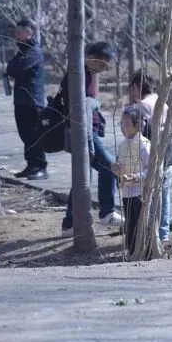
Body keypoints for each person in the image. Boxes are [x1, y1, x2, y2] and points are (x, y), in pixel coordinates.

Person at [61, 41, 122, 235]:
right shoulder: (77, 74)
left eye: (107, 65)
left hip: (91, 131)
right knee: (108, 167)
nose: (104, 68)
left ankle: (69, 224)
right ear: (90, 57)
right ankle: (106, 212)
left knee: (83, 178)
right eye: (102, 63)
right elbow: (77, 104)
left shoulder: (91, 73)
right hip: (82, 131)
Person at [130, 71, 172, 244]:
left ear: (135, 87)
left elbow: (140, 134)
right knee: (164, 195)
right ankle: (163, 232)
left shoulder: (142, 106)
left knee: (151, 196)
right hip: (169, 153)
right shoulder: (161, 100)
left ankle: (152, 231)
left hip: (154, 156)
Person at [6, 19, 47, 180]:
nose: (16, 35)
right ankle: (31, 165)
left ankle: (40, 167)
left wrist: (12, 66)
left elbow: (15, 68)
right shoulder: (23, 50)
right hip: (21, 99)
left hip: (32, 100)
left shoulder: (34, 51)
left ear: (28, 32)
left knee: (34, 134)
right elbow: (11, 68)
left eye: (19, 32)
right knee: (25, 135)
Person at [113, 105, 150, 256]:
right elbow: (121, 167)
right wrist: (117, 170)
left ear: (137, 125)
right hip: (126, 192)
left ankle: (143, 253)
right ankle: (131, 252)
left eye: (127, 124)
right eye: (121, 123)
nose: (123, 127)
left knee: (139, 224)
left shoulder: (144, 144)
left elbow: (152, 170)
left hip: (140, 192)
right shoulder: (122, 145)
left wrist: (137, 176)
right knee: (129, 224)